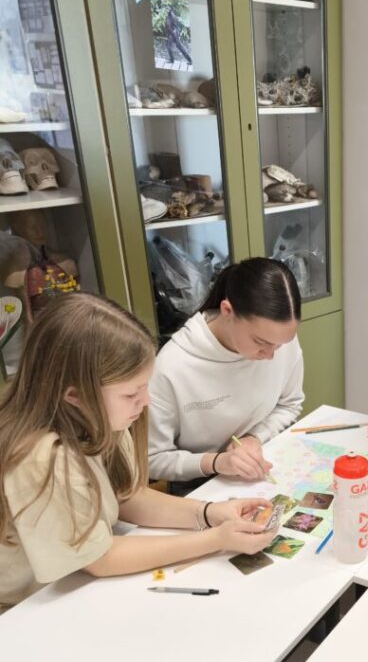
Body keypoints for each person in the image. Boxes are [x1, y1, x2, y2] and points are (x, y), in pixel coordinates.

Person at [0, 293, 275, 614]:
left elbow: (128, 496)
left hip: (67, 586)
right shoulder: (41, 457)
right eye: (131, 393)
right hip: (21, 609)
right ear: (75, 395)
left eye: (145, 386)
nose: (145, 402)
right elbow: (99, 559)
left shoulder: (101, 417)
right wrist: (215, 540)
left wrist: (210, 513)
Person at [148, 257, 304, 492]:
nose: (271, 355)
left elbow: (289, 404)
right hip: (199, 485)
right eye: (260, 342)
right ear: (227, 310)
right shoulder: (172, 366)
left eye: (280, 345)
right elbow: (153, 459)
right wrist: (217, 462)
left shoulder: (277, 340)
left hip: (264, 463)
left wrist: (254, 438)